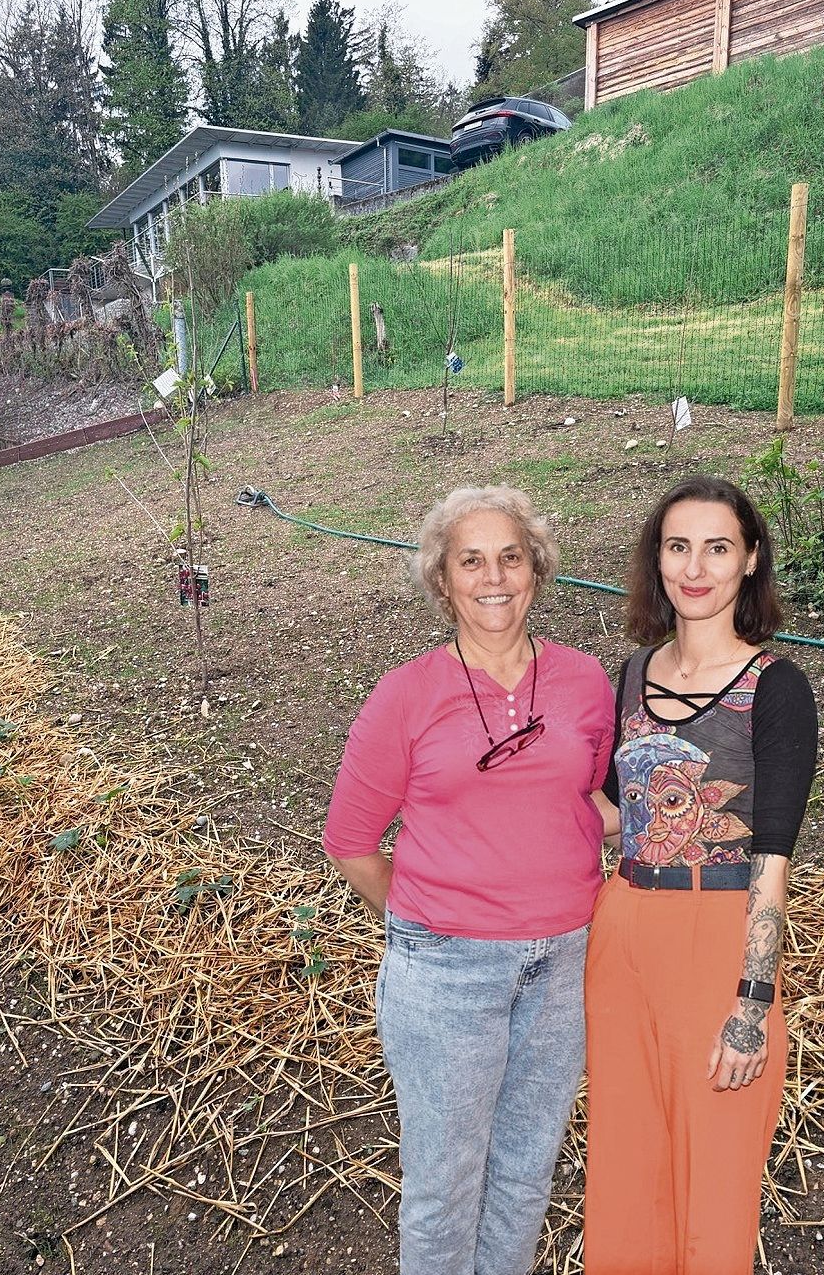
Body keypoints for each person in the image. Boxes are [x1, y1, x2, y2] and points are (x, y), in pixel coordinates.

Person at [323, 485, 615, 1275]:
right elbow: (349, 842)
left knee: (524, 1173)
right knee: (444, 1186)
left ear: (536, 571)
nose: (494, 578)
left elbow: (586, 800)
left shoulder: (585, 681)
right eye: (471, 560)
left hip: (562, 964)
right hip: (446, 974)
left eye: (510, 558)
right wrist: (429, 923)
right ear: (442, 579)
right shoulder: (405, 695)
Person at [584, 475, 819, 1275]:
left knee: (713, 1187)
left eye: (717, 547)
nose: (694, 567)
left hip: (719, 941)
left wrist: (751, 1004)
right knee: (626, 1175)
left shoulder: (775, 688)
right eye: (677, 546)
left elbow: (772, 859)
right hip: (621, 938)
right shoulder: (630, 674)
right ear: (656, 558)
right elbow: (615, 812)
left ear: (749, 559)